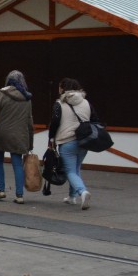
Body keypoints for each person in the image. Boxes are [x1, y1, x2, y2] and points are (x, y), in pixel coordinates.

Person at [0, 70, 34, 204]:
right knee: (17, 164)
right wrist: (30, 143)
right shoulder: (27, 98)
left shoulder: (1, 94)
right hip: (20, 135)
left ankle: (1, 190)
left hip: (1, 134)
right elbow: (29, 121)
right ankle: (19, 195)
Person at [48, 77, 93, 210]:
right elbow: (94, 119)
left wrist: (51, 139)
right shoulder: (86, 102)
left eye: (59, 87)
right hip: (84, 141)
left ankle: (82, 192)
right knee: (76, 169)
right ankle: (72, 197)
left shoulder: (59, 103)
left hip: (67, 141)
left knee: (69, 170)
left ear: (63, 88)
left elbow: (54, 124)